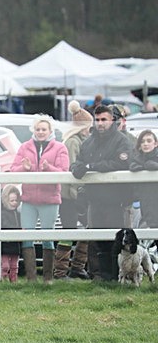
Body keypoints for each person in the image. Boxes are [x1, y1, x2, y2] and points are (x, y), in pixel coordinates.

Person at [71, 105, 133, 281]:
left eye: (104, 119)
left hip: (116, 200)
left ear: (112, 120)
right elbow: (79, 162)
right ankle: (100, 278)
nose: (100, 124)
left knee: (115, 241)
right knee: (97, 241)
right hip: (94, 199)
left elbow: (121, 164)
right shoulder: (88, 142)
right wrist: (77, 168)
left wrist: (92, 167)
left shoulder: (122, 141)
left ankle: (115, 277)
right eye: (97, 120)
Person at [9, 114, 69, 283]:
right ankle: (31, 278)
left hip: (49, 199)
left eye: (44, 129)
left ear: (50, 130)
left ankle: (48, 278)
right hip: (28, 199)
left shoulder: (60, 148)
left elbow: (64, 172)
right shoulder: (24, 147)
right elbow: (13, 170)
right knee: (27, 235)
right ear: (33, 130)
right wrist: (24, 168)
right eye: (38, 129)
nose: (40, 132)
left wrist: (48, 168)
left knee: (47, 237)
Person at [55, 101, 93, 280]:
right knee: (68, 230)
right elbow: (71, 170)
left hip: (77, 194)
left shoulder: (81, 141)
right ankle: (60, 271)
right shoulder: (73, 142)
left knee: (85, 229)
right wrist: (76, 195)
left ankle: (78, 266)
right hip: (71, 196)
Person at [129, 130, 158, 228]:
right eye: (142, 141)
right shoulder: (136, 159)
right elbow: (132, 166)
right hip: (145, 202)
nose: (145, 144)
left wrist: (150, 165)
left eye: (149, 141)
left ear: (155, 143)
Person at [0, 184, 22, 282]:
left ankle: (14, 281)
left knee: (14, 265)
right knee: (4, 266)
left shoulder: (18, 214)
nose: (14, 203)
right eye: (11, 201)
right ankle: (3, 279)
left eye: (16, 200)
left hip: (15, 243)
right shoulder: (2, 213)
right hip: (5, 244)